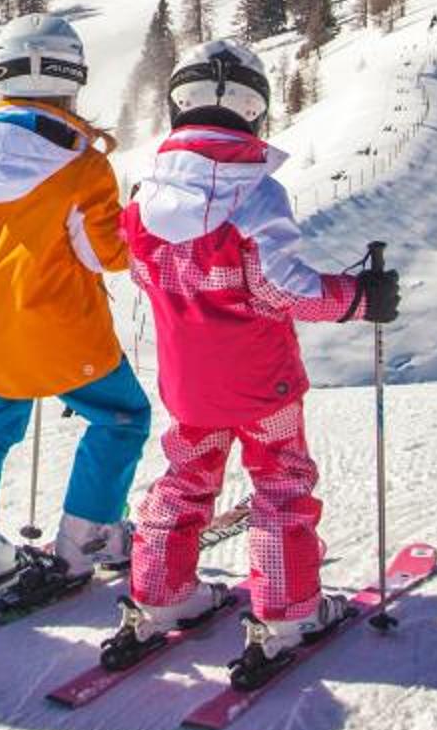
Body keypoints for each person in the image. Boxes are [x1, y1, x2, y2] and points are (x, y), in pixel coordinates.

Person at [113, 39, 398, 675]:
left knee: (185, 480)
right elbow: (281, 289)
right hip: (262, 383)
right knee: (281, 484)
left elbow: (142, 272)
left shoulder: (144, 198)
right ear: (255, 110)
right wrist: (358, 298)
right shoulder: (254, 195)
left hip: (188, 383)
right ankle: (287, 614)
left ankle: (159, 596)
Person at [0, 13, 154, 605]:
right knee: (121, 416)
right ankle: (88, 537)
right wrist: (135, 221)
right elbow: (106, 255)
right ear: (70, 75)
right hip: (68, 327)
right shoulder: (83, 164)